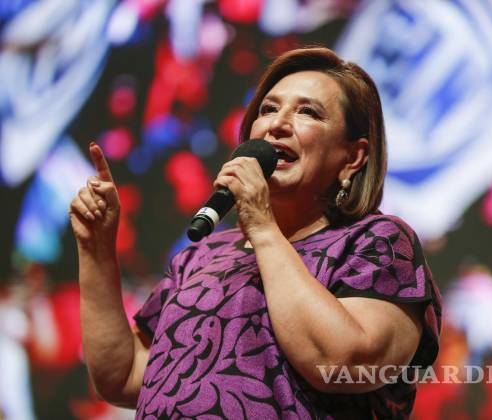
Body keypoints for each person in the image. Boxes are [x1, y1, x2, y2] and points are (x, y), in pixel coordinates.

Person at [69, 47, 442, 419]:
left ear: (353, 158)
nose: (277, 124)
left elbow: (344, 362)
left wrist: (263, 227)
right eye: (268, 109)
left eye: (308, 112)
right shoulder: (204, 255)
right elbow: (125, 376)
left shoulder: (376, 241)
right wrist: (96, 249)